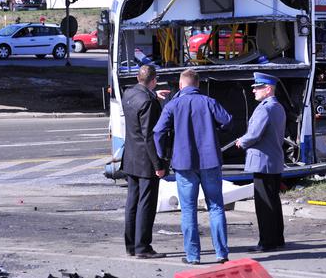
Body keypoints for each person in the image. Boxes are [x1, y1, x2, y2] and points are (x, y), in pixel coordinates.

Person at [153, 69, 232, 265]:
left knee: (188, 210)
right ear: (197, 85)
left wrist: (162, 155)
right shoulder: (208, 101)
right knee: (216, 207)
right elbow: (228, 121)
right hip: (210, 162)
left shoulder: (173, 104)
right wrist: (215, 130)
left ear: (181, 85)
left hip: (184, 164)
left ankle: (193, 256)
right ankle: (221, 253)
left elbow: (158, 132)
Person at [236, 72, 286, 252]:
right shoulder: (277, 106)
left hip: (262, 162)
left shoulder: (265, 108)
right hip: (273, 161)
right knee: (273, 201)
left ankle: (267, 242)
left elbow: (255, 134)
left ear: (268, 88)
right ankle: (277, 238)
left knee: (264, 205)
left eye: (257, 88)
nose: (254, 91)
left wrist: (242, 141)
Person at [121, 65, 167, 259]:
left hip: (130, 157)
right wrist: (158, 164)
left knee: (132, 202)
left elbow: (138, 117)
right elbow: (149, 136)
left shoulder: (129, 94)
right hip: (145, 161)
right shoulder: (149, 102)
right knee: (146, 204)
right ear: (154, 80)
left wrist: (154, 96)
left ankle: (131, 245)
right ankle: (143, 247)